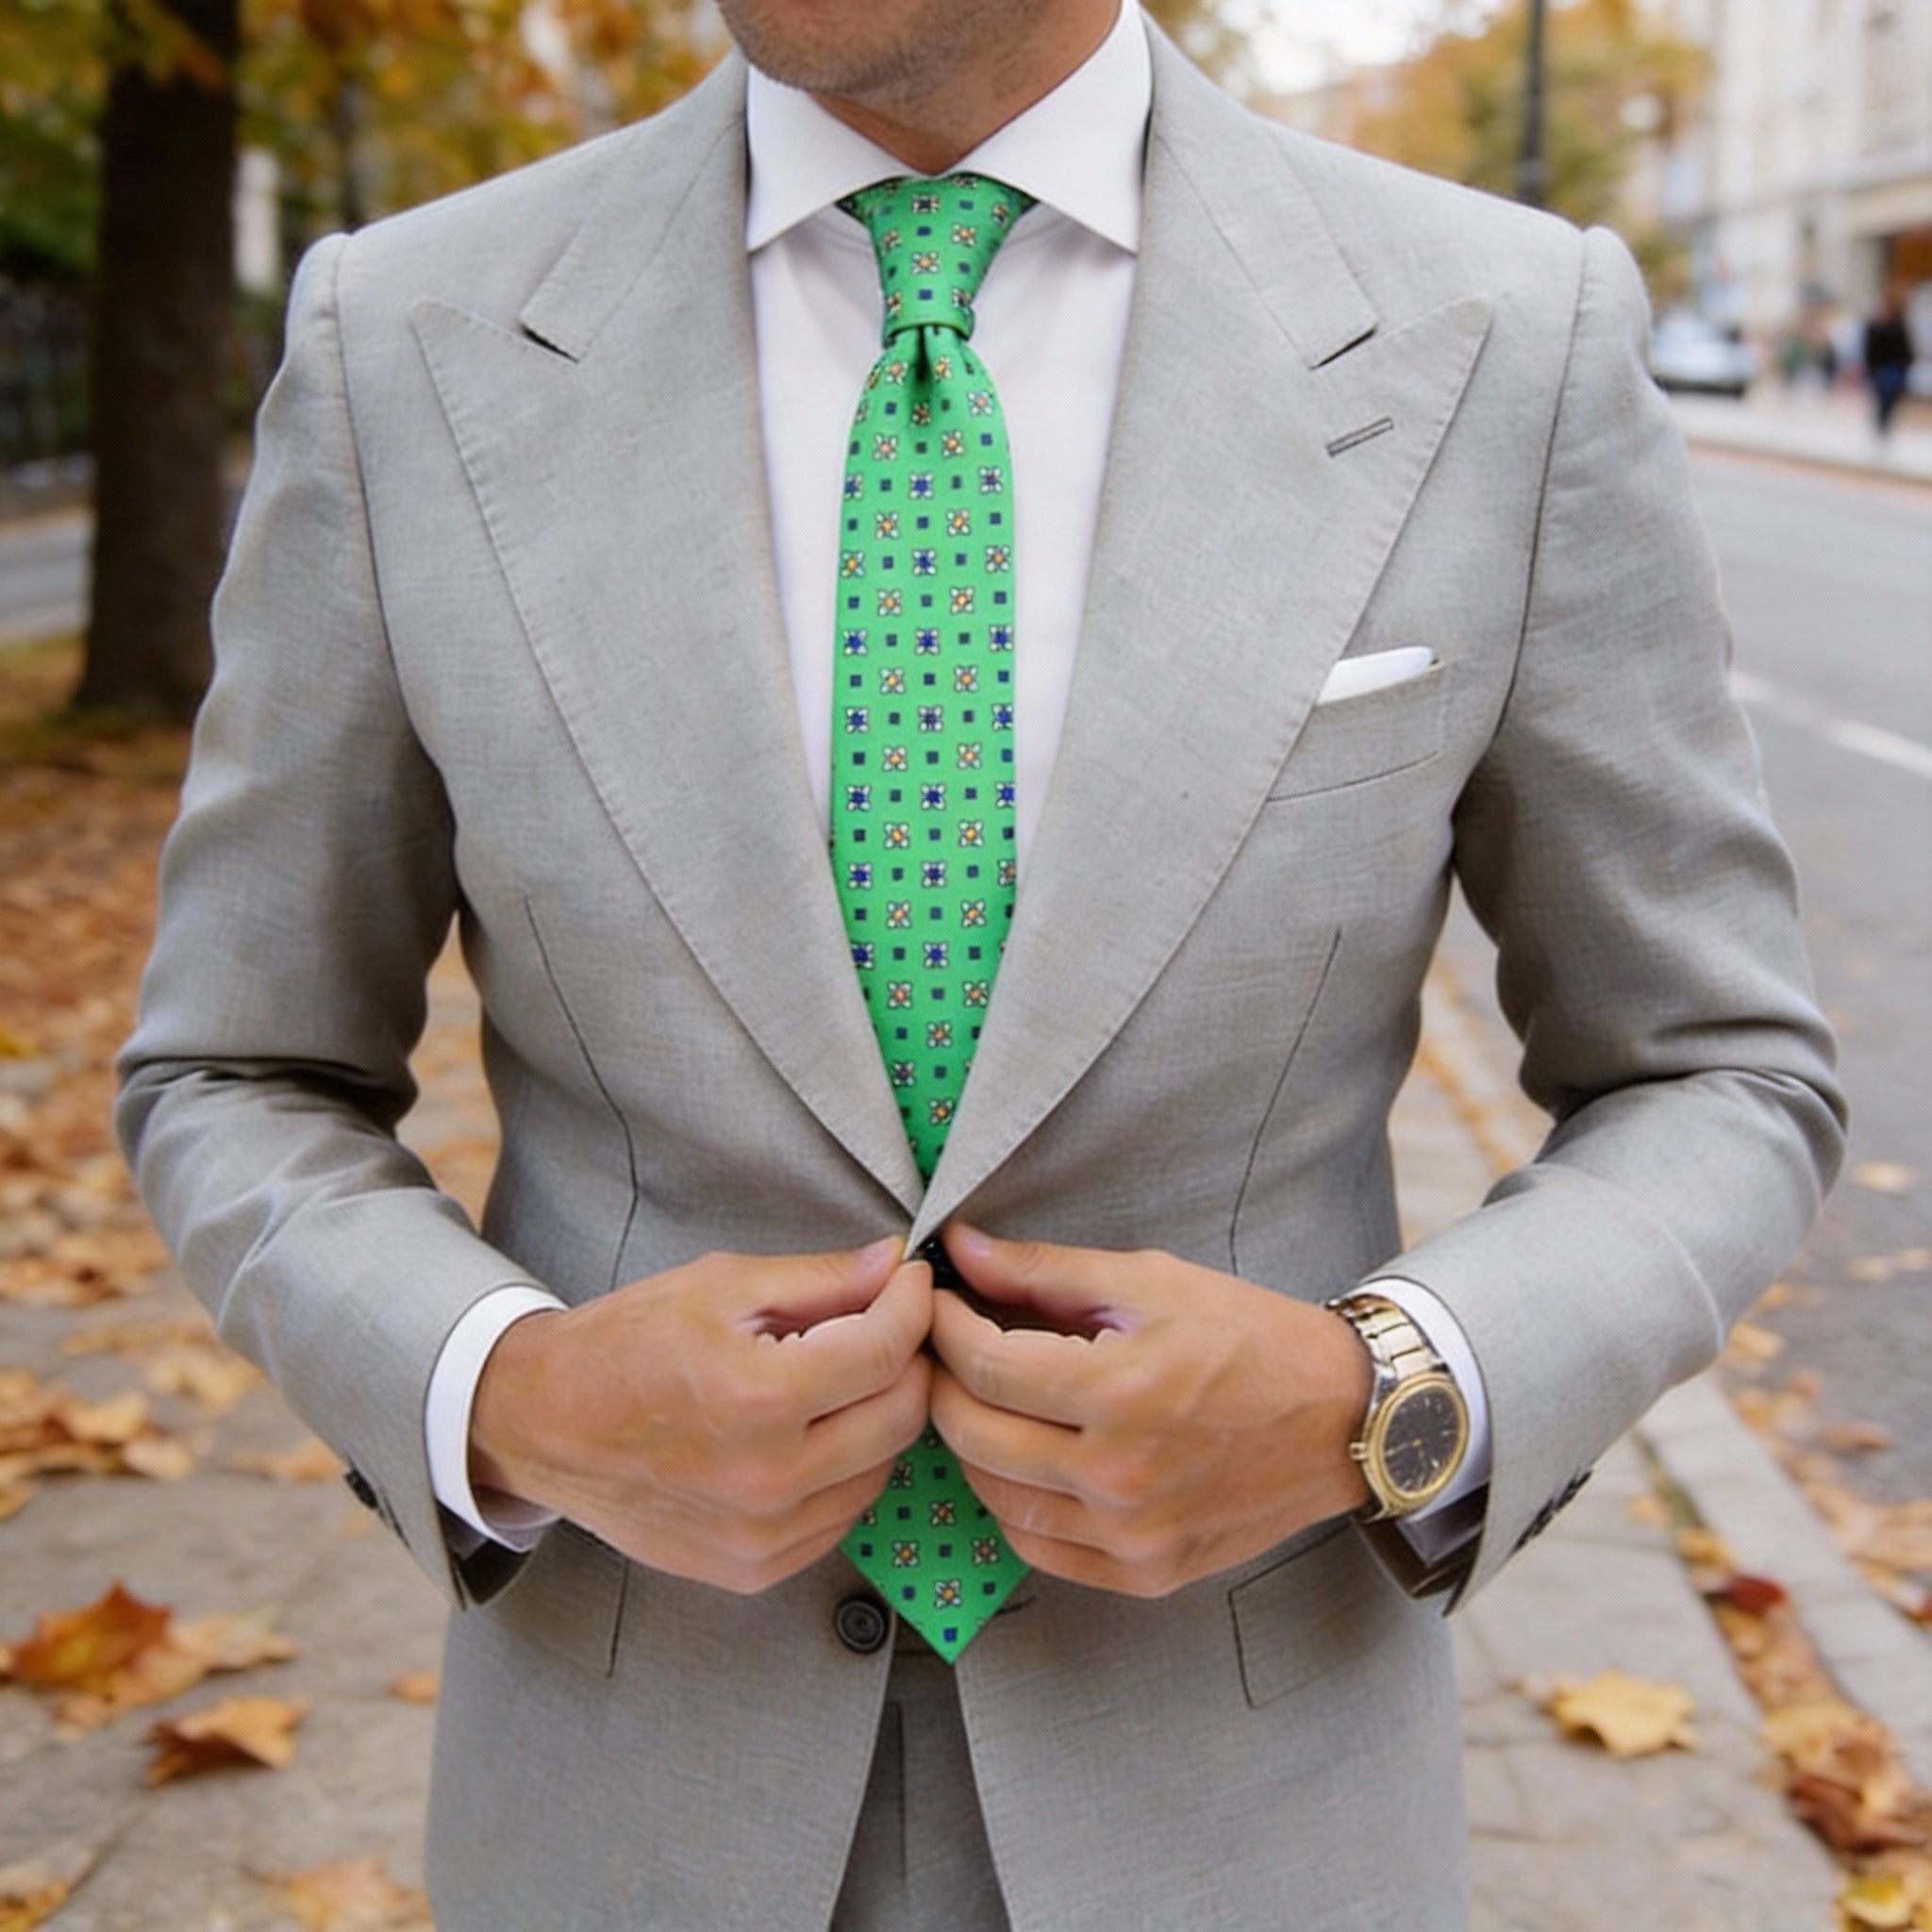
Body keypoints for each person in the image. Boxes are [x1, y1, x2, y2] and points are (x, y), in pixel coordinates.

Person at [118, 2, 1844, 1925]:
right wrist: (503, 1394)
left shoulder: (1504, 337)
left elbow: (1716, 1069)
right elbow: (235, 1065)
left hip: (1247, 1805)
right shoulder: (406, 341)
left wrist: (1383, 1396)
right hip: (630, 1805)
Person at [1864, 286, 1917, 435]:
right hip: (1881, 369)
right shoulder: (1876, 325)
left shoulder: (1898, 325)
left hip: (1894, 369)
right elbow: (1870, 348)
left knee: (1890, 399)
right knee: (1882, 399)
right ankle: (1881, 426)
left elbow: (1906, 348)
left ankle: (1884, 425)